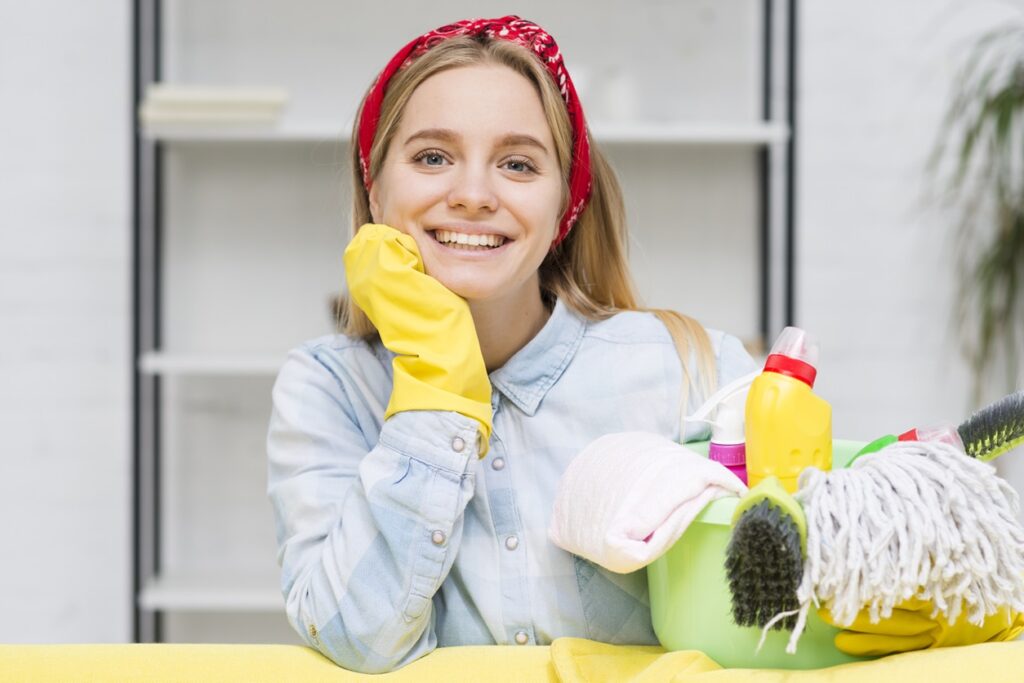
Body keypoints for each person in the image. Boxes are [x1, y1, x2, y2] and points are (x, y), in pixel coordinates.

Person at [267, 15, 1021, 675]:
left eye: (519, 162)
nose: (473, 192)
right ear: (374, 185)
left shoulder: (690, 370)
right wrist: (436, 381)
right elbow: (354, 636)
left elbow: (795, 589)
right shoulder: (327, 390)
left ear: (565, 202)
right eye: (432, 156)